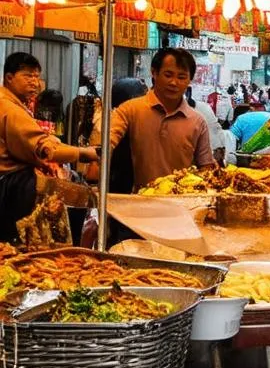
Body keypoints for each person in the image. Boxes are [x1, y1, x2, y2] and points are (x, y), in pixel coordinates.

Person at [0, 53, 98, 241]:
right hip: (12, 187)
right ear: (9, 77)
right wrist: (84, 153)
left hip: (11, 183)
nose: (34, 82)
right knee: (19, 243)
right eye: (28, 76)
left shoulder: (13, 104)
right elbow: (43, 147)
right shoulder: (9, 108)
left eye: (37, 76)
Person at [108, 48, 214, 190]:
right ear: (154, 73)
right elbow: (106, 142)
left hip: (181, 206)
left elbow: (206, 168)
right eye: (168, 75)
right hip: (137, 204)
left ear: (190, 80)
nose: (174, 83)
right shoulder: (130, 110)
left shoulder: (197, 122)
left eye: (181, 77)